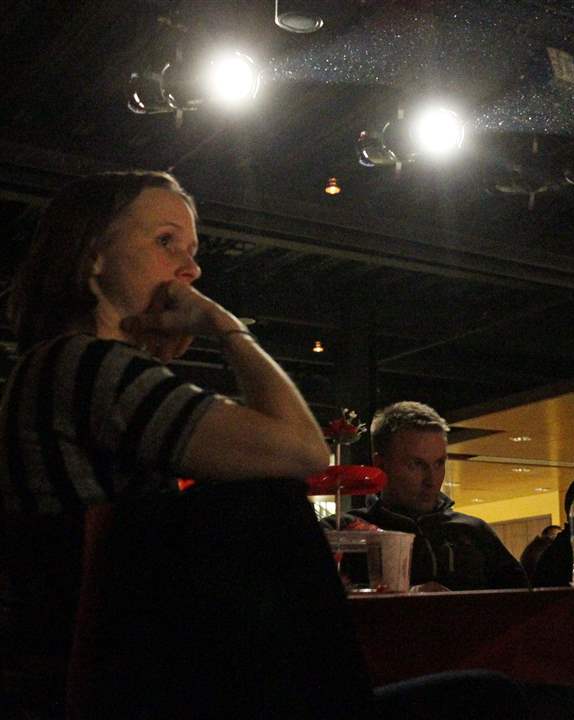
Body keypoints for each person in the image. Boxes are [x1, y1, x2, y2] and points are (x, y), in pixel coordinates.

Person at [0, 171, 521, 719]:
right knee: (492, 696)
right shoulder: (89, 367)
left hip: (113, 684)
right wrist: (227, 329)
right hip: (127, 693)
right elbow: (303, 452)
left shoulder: (54, 368)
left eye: (193, 251)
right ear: (94, 255)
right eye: (165, 241)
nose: (192, 268)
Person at [358, 401, 529, 590]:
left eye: (439, 463)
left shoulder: (474, 532)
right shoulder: (349, 533)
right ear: (381, 465)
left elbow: (525, 601)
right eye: (416, 464)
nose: (431, 480)